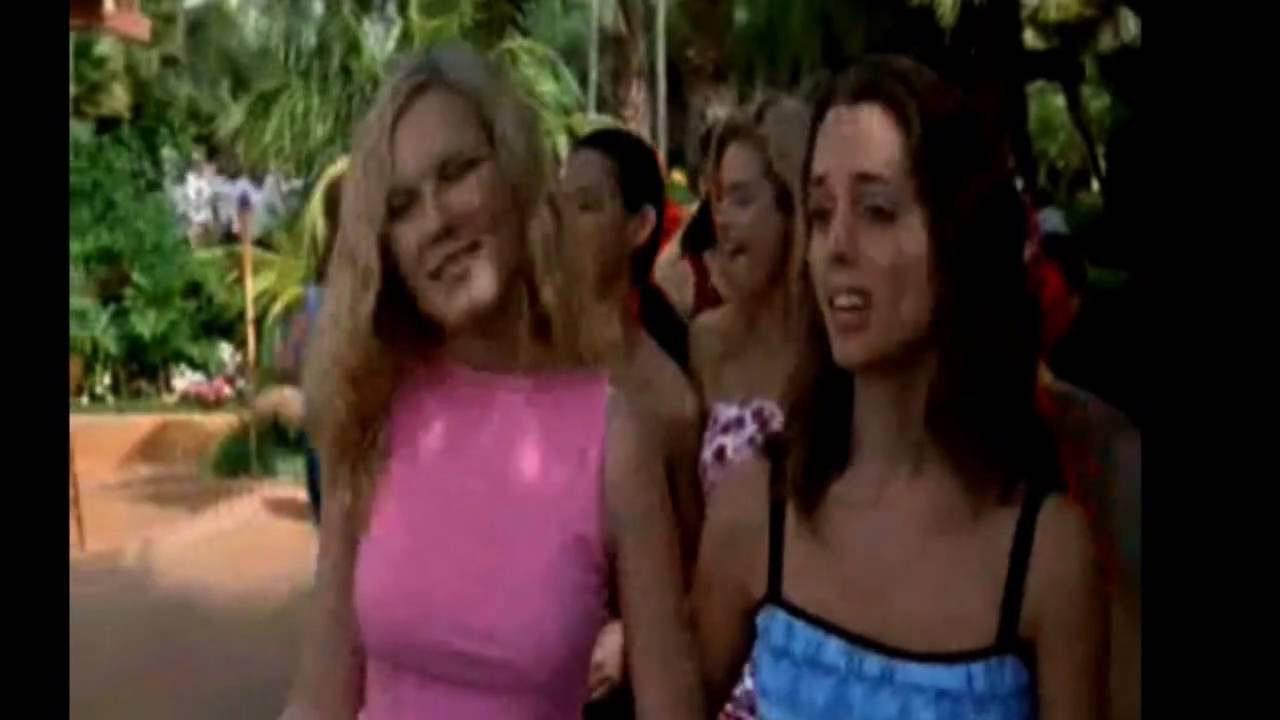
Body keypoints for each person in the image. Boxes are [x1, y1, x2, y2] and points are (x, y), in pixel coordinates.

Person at [281, 45, 703, 720]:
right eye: (402, 206)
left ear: (514, 176)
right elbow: (319, 697)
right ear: (387, 247)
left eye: (457, 172)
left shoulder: (614, 437)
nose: (437, 220)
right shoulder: (370, 411)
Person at [694, 56, 1106, 719]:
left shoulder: (1046, 557)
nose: (837, 246)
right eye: (820, 213)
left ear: (956, 238)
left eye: (878, 211)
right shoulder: (757, 511)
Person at [557, 127, 705, 716]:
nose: (562, 223)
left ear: (640, 227)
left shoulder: (670, 402)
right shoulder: (517, 364)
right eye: (557, 203)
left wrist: (628, 635)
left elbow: (691, 575)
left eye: (586, 205)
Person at [687, 94, 810, 720]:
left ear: (792, 208)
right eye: (716, 201)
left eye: (741, 199)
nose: (723, 222)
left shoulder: (842, 354)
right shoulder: (705, 342)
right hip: (720, 677)